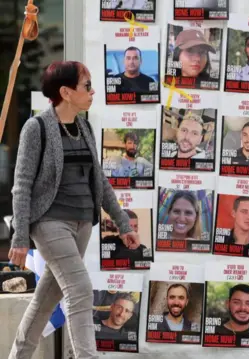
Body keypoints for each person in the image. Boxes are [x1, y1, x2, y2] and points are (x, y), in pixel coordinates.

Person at [8, 61, 138, 359]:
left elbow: (99, 180)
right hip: (50, 224)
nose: (93, 91)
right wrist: (20, 237)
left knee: (45, 300)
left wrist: (123, 223)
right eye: (87, 85)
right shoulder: (36, 127)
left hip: (82, 224)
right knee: (80, 290)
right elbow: (22, 185)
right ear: (66, 92)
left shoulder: (84, 126)